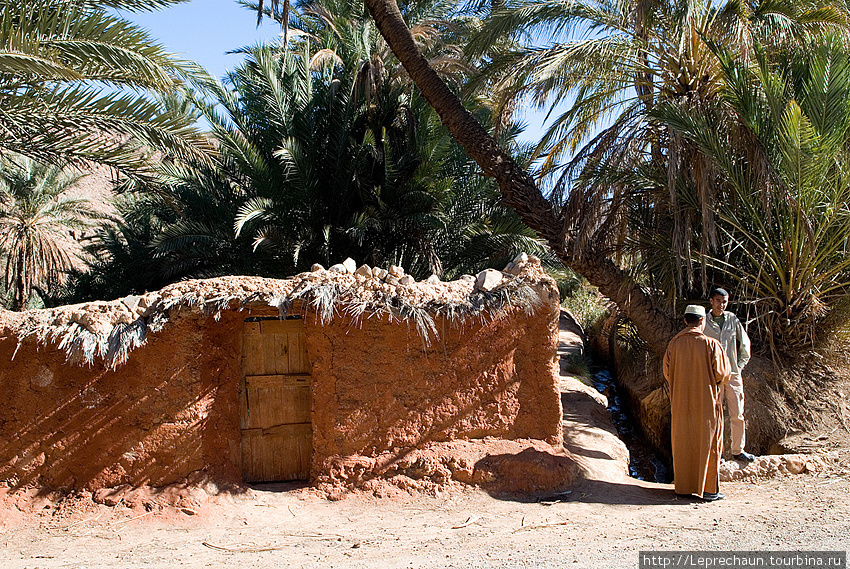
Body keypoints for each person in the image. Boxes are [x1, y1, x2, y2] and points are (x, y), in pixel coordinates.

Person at [663, 305, 731, 501]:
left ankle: (683, 488)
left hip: (680, 403)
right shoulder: (711, 344)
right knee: (708, 443)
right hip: (707, 404)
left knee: (683, 442)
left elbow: (667, 373)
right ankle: (709, 490)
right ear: (703, 321)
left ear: (685, 320)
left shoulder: (674, 344)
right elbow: (722, 373)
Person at [703, 287, 754, 462]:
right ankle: (717, 454)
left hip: (733, 374)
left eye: (724, 302)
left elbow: (744, 344)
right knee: (715, 414)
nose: (721, 305)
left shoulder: (732, 319)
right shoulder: (704, 322)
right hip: (713, 376)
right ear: (711, 301)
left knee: (737, 413)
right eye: (718, 301)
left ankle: (738, 450)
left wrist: (739, 366)